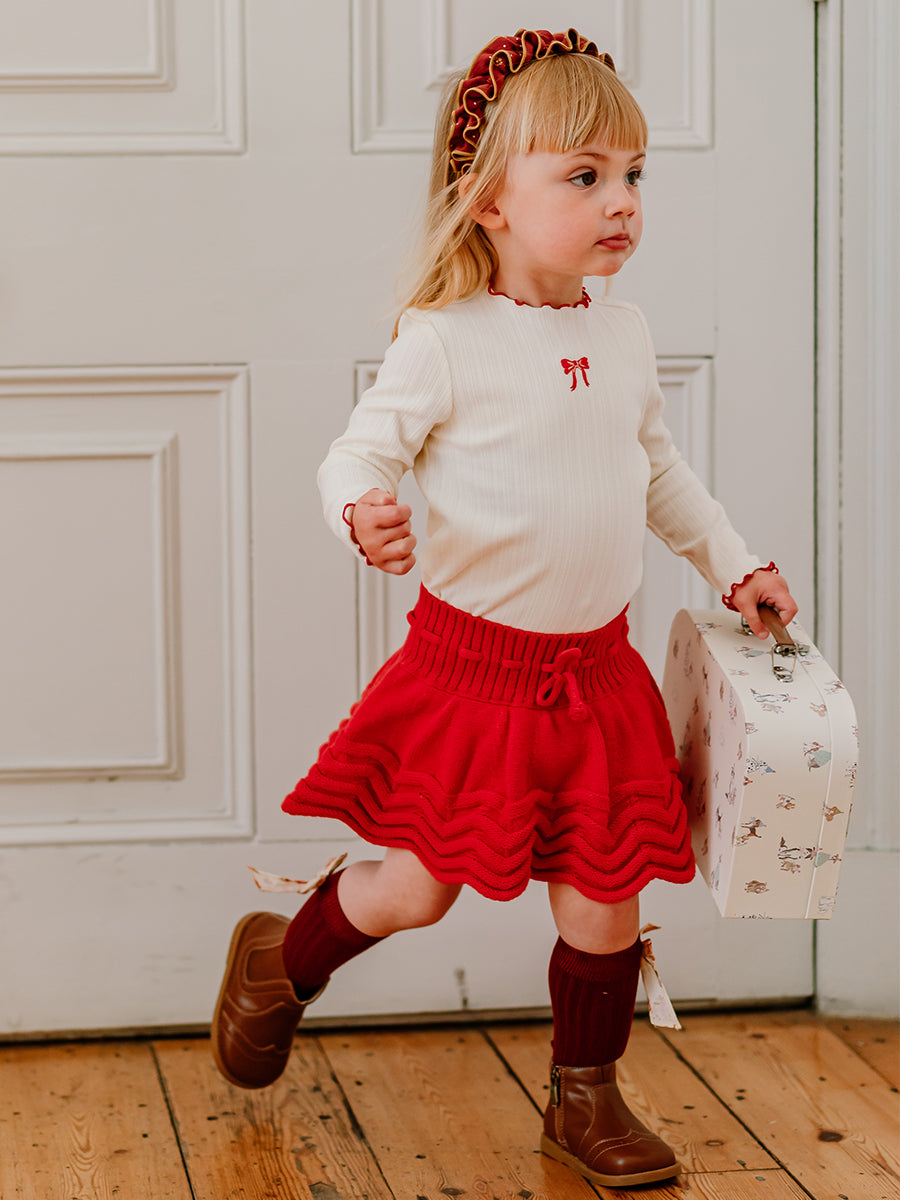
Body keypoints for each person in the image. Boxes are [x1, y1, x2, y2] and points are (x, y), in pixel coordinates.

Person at [212, 28, 797, 1190]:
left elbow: (659, 472)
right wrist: (363, 509)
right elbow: (354, 454)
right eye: (584, 175)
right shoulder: (445, 341)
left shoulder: (622, 333)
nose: (621, 201)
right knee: (414, 889)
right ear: (488, 201)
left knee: (606, 900)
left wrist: (734, 565)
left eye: (632, 174)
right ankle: (282, 958)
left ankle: (587, 1097)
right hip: (472, 674)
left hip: (598, 675)